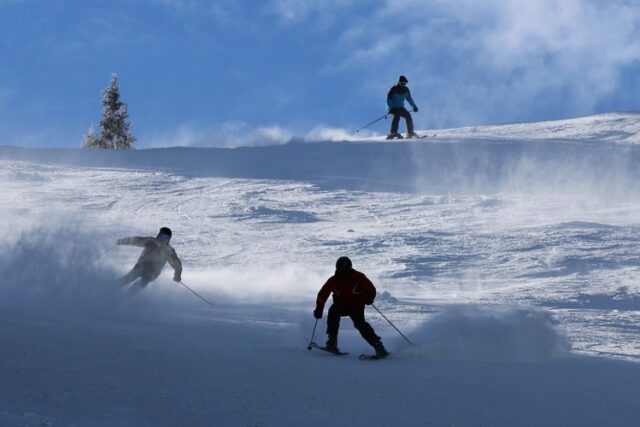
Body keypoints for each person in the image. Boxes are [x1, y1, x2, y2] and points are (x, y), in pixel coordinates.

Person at [313, 256, 389, 358]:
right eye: (340, 269)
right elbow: (323, 294)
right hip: (341, 305)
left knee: (360, 324)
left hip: (356, 306)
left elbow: (371, 288)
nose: (343, 271)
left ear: (350, 268)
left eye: (345, 269)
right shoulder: (333, 280)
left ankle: (379, 347)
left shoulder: (359, 277)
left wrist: (370, 298)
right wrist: (319, 308)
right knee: (333, 311)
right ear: (337, 268)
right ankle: (332, 343)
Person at [117, 227, 182, 291]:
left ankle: (128, 294)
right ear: (158, 235)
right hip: (140, 266)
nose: (162, 240)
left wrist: (177, 275)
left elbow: (177, 265)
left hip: (152, 272)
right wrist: (121, 241)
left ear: (168, 240)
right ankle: (113, 288)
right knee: (127, 279)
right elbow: (135, 240)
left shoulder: (168, 251)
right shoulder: (150, 241)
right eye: (161, 236)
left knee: (143, 281)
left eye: (166, 238)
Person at [386, 75, 419, 140]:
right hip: (392, 107)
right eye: (402, 83)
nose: (403, 85)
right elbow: (388, 100)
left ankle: (410, 133)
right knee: (397, 116)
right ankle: (393, 133)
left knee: (408, 116)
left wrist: (414, 106)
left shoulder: (406, 90)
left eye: (405, 84)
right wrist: (391, 108)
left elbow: (409, 99)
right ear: (398, 82)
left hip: (400, 107)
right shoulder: (393, 89)